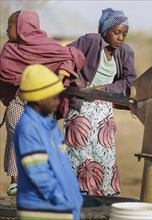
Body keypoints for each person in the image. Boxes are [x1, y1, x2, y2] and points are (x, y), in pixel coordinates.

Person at [0, 10, 85, 195]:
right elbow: (5, 72)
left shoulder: (47, 47)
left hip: (42, 105)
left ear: (23, 28)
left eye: (10, 26)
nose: (7, 30)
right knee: (17, 137)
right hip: (18, 101)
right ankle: (15, 181)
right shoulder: (9, 48)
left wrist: (60, 76)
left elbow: (71, 56)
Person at [64, 8, 137, 196]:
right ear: (105, 30)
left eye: (124, 34)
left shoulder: (126, 51)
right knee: (81, 157)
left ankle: (104, 202)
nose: (121, 37)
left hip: (104, 111)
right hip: (80, 107)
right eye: (116, 32)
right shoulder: (90, 41)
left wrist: (105, 88)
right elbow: (64, 57)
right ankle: (80, 200)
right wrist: (74, 80)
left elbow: (129, 80)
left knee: (104, 156)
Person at [14, 64, 82, 220]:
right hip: (43, 209)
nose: (58, 101)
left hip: (61, 207)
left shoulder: (49, 124)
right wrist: (63, 199)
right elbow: (39, 173)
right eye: (53, 97)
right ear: (39, 98)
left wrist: (73, 197)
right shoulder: (29, 128)